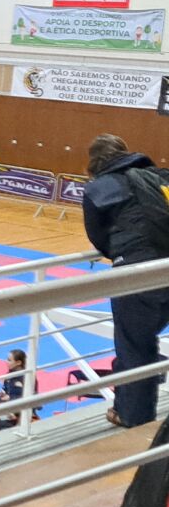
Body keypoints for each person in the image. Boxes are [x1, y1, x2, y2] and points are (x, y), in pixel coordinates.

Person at [82, 134, 169, 428]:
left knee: (135, 347)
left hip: (137, 275)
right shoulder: (159, 176)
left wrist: (123, 252)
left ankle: (134, 419)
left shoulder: (99, 187)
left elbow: (99, 237)